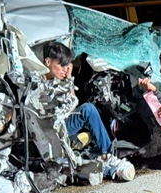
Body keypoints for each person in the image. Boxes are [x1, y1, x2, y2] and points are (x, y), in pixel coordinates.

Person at [42, 41, 135, 181]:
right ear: (48, 62)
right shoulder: (38, 83)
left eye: (66, 66)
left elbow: (73, 105)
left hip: (63, 124)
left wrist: (69, 81)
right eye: (60, 65)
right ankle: (104, 156)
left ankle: (107, 155)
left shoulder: (60, 81)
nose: (64, 69)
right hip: (49, 131)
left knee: (89, 109)